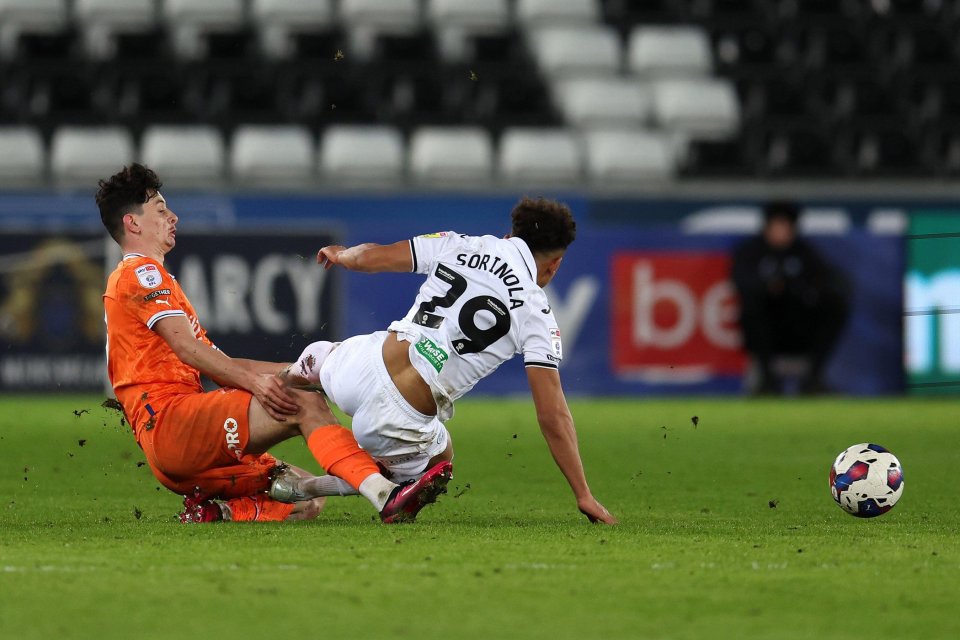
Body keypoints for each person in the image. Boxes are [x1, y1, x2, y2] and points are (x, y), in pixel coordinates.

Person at [98, 163, 451, 524]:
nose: (172, 216)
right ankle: (385, 494)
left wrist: (311, 371)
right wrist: (262, 385)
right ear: (133, 224)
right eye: (160, 209)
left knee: (303, 493)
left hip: (181, 448)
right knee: (302, 404)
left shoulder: (153, 282)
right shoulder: (140, 272)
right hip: (172, 423)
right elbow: (189, 349)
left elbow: (223, 363)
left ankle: (216, 513)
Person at [283, 197, 617, 525]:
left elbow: (371, 258)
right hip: (395, 420)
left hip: (359, 368)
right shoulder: (537, 313)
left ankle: (283, 378)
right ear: (555, 263)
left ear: (508, 235)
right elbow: (552, 415)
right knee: (438, 460)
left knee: (329, 354)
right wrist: (583, 494)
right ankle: (321, 489)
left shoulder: (459, 244)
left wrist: (342, 254)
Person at [731, 200, 851, 395]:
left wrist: (797, 289)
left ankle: (812, 379)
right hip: (766, 331)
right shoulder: (751, 252)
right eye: (776, 226)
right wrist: (768, 287)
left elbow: (825, 283)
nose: (780, 232)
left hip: (799, 329)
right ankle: (767, 381)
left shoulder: (805, 254)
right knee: (752, 307)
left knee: (835, 305)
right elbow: (740, 282)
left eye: (785, 226)